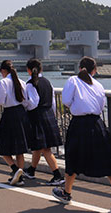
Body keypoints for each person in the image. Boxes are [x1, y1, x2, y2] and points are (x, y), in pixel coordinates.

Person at [52, 57, 111, 213]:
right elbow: (102, 105)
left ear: (80, 68)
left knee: (73, 158)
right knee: (108, 160)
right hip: (97, 123)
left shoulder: (73, 80)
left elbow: (66, 101)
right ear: (94, 70)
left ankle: (67, 193)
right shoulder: (99, 85)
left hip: (79, 124)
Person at [23, 58, 64, 186]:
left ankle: (57, 174)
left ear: (28, 70)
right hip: (48, 114)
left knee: (45, 148)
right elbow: (52, 102)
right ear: (41, 69)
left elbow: (33, 103)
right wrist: (53, 114)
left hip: (37, 116)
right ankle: (31, 170)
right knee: (38, 146)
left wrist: (25, 107)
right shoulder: (47, 82)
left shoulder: (30, 84)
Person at [0, 59, 36, 186]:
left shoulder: (3, 82)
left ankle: (15, 170)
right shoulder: (22, 82)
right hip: (21, 114)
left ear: (3, 71)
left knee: (3, 145)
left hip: (9, 114)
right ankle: (20, 175)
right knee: (20, 148)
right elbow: (25, 101)